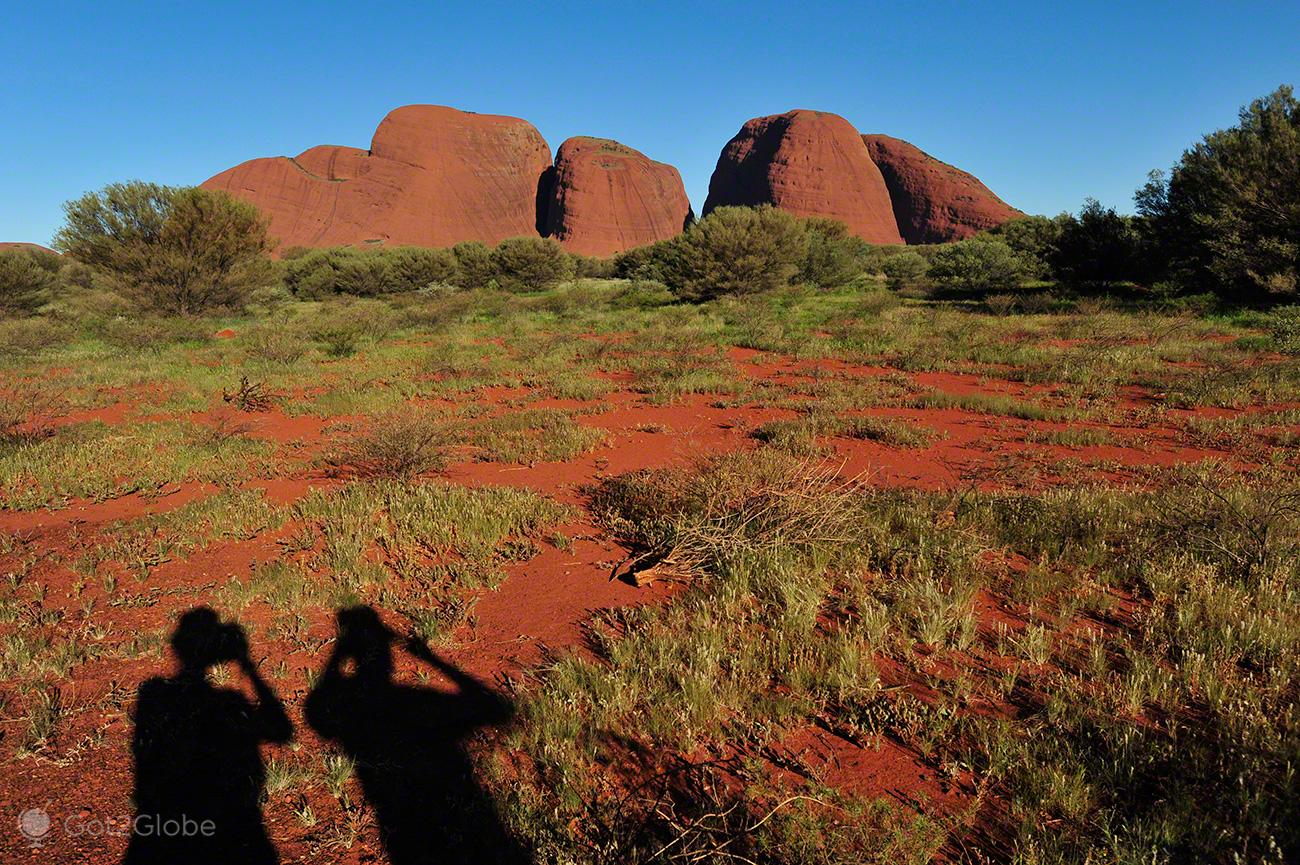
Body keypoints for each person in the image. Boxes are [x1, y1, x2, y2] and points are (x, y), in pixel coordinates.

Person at [306, 605, 528, 865]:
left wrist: (339, 651)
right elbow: (496, 708)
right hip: (463, 814)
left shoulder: (364, 704)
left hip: (398, 820)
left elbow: (318, 715)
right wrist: (431, 659)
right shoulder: (417, 700)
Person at [122, 607, 291, 865]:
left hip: (167, 826)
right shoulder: (230, 701)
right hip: (229, 822)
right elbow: (281, 731)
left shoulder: (155, 696)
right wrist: (248, 666)